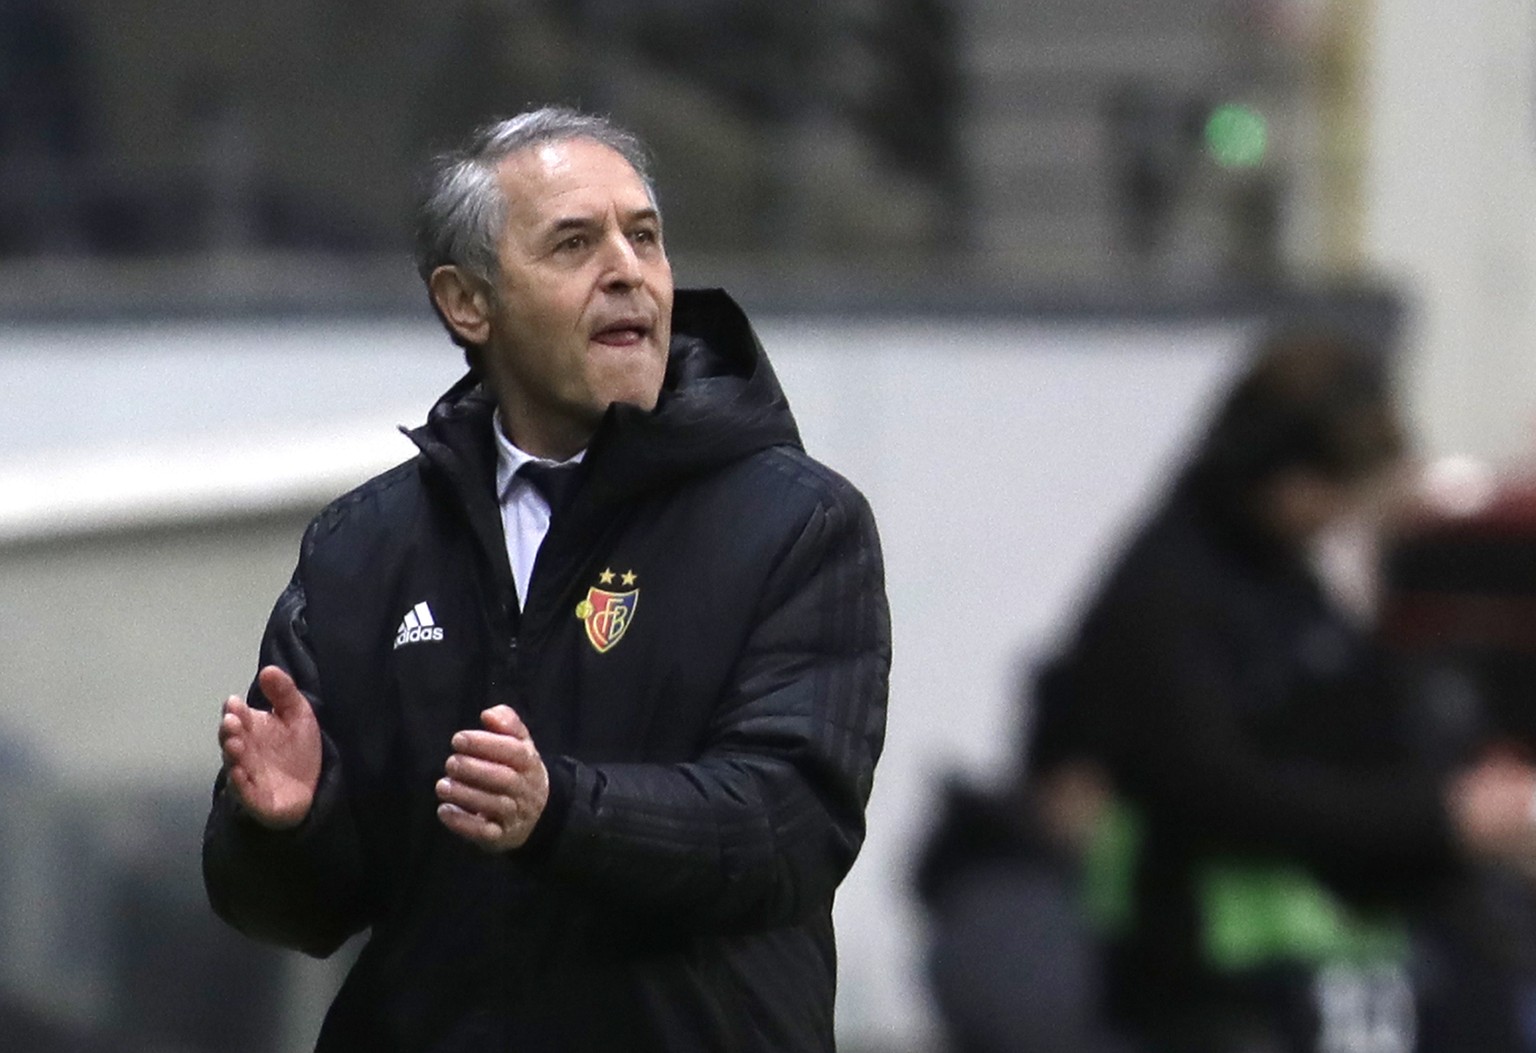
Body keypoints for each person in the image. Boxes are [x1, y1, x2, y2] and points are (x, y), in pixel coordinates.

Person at [202, 106, 891, 1052]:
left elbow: (789, 826)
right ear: (467, 302)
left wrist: (560, 811)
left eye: (643, 236)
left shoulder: (798, 524)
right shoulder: (362, 548)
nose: (628, 270)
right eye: (575, 242)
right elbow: (294, 913)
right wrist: (286, 826)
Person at [1016, 330, 1536, 1053]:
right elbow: (1228, 790)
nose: (1341, 516)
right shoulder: (1168, 596)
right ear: (1287, 477)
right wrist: (1441, 815)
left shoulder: (1278, 578)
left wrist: (1465, 795)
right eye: (1336, 490)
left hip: (1305, 945)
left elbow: (1359, 721)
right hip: (1203, 973)